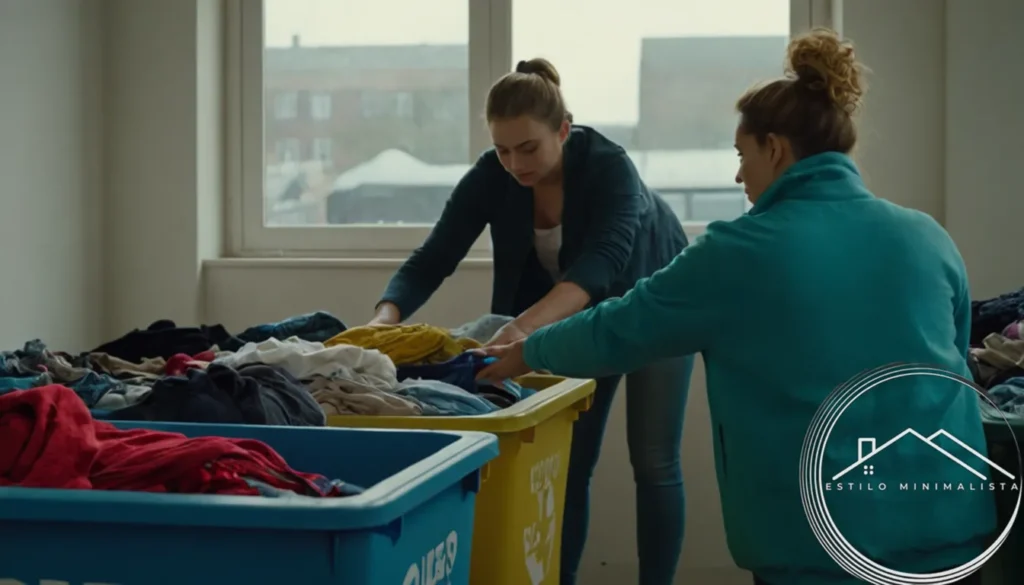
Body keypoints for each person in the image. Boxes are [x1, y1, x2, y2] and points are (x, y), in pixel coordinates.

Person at [476, 29, 995, 585]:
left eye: (742, 155)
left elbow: (621, 327)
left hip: (821, 550)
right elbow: (959, 363)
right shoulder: (928, 237)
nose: (739, 175)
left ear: (775, 148)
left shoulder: (740, 252)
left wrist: (528, 350)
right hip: (954, 535)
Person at [369, 58, 696, 585]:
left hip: (657, 302)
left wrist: (522, 330)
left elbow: (600, 266)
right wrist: (383, 321)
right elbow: (435, 256)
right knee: (569, 462)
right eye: (502, 149)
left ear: (563, 130)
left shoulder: (610, 166)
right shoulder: (492, 175)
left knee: (653, 461)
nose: (514, 163)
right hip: (573, 312)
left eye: (528, 148)